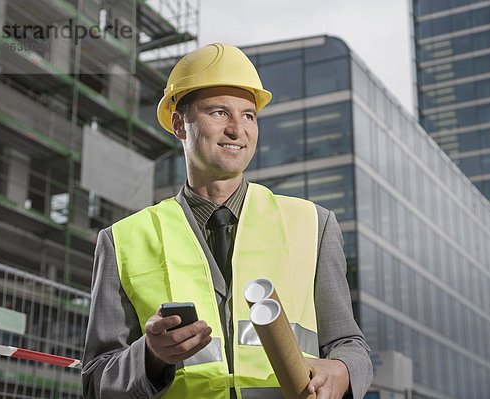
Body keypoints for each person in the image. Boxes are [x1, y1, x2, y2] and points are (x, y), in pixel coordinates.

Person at [82, 43, 372, 398]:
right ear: (179, 124)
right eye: (219, 112)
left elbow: (350, 345)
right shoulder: (122, 240)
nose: (238, 129)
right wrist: (151, 356)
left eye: (249, 115)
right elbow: (96, 380)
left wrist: (341, 370)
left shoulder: (314, 224)